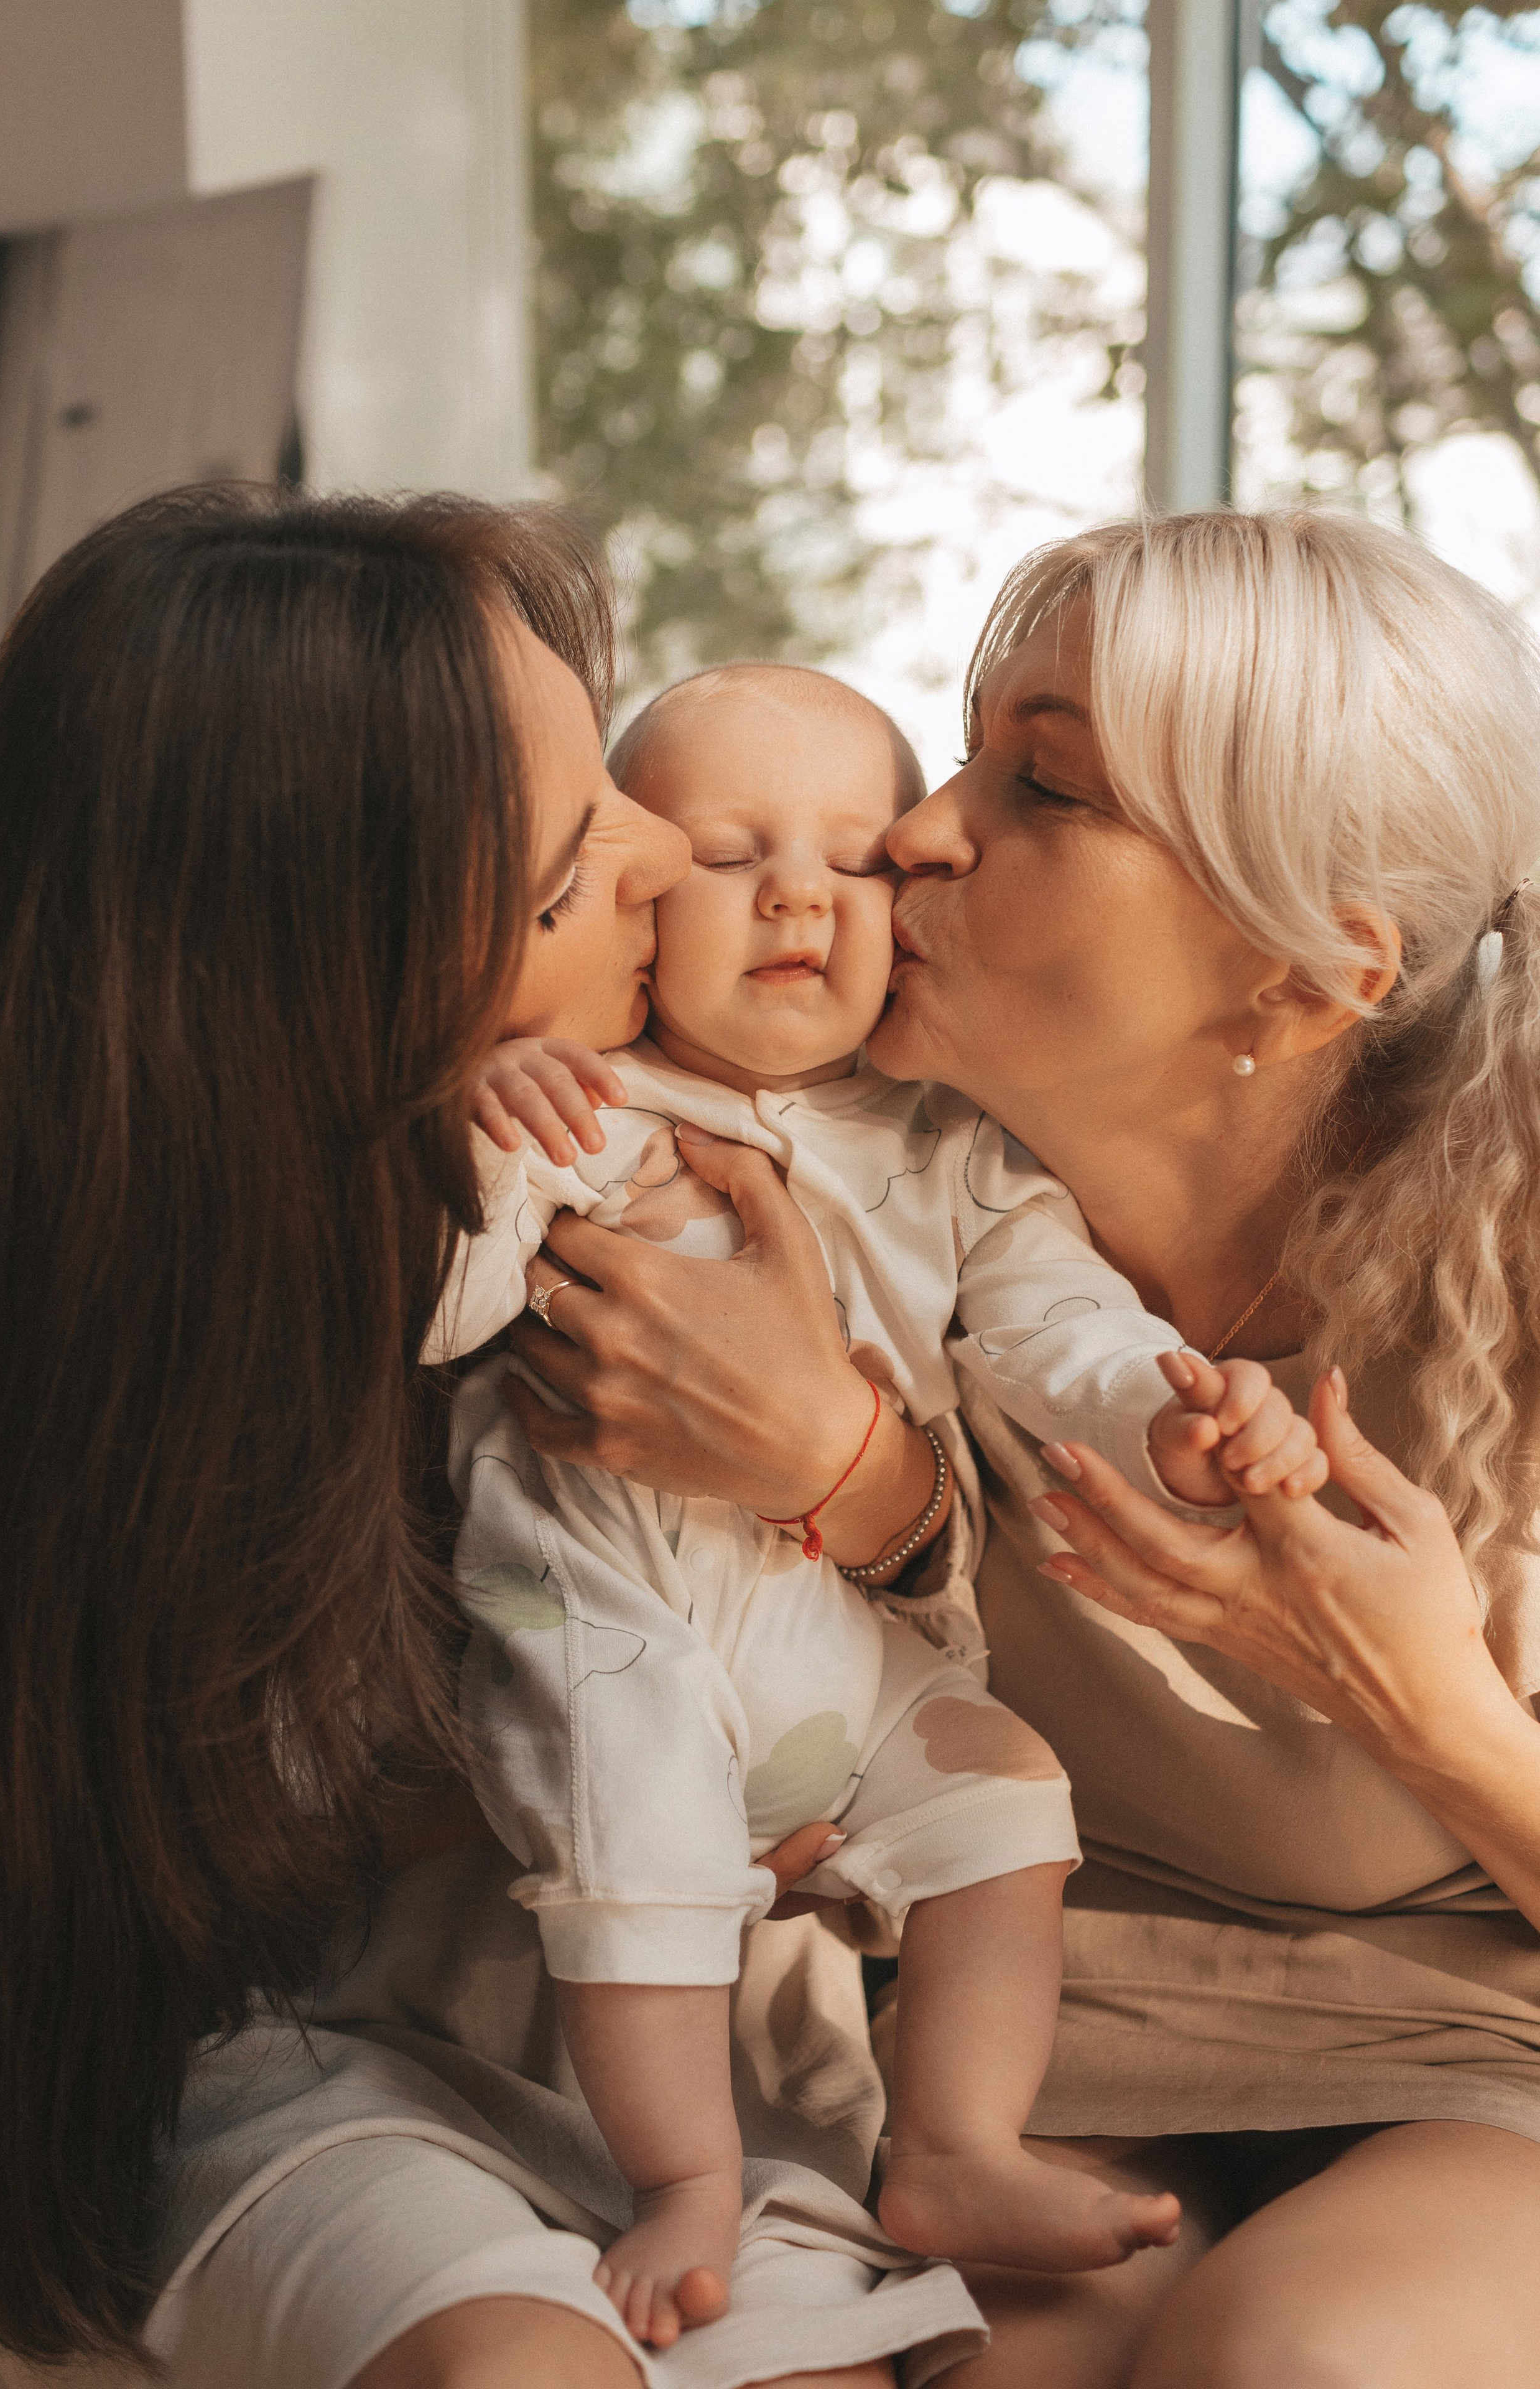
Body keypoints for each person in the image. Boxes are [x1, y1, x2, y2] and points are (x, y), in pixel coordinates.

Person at [0, 483, 986, 2389]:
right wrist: (653, 1783)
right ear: (367, 985)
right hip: (312, 2056)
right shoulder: (246, 1303)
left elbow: (975, 1538)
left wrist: (852, 1478)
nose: (674, 847)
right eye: (585, 852)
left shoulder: (821, 1168)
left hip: (679, 2062)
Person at [503, 510, 1540, 2388]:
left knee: (1295, 2363)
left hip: (1484, 2048)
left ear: (1307, 983)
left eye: (1043, 787)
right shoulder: (882, 1173)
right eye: (969, 748)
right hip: (1054, 2043)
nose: (918, 831)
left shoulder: (1507, 1294)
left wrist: (1412, 1696)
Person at [441, 658, 1327, 2340]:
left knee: (1000, 1788)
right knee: (634, 1822)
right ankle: (687, 2178)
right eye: (725, 853)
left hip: (814, 1639)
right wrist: (475, 1123)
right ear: (628, 898)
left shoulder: (955, 1149)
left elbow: (1065, 1335)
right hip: (585, 1607)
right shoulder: (598, 1101)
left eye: (854, 859)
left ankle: (952, 2141)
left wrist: (1180, 1423)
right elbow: (436, 1300)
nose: (797, 891)